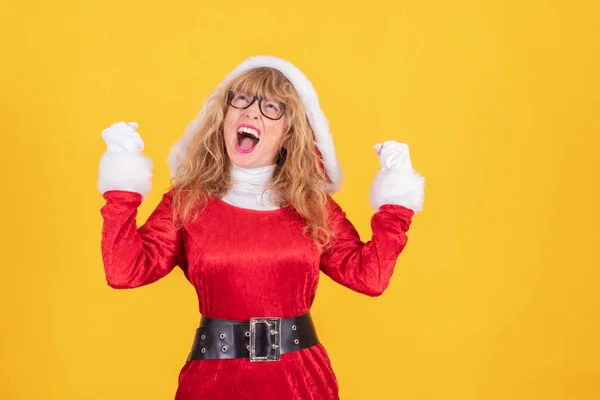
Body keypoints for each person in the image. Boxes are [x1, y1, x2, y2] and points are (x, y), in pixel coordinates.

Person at [97, 56, 425, 400]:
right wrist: (122, 186)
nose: (251, 113)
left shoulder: (313, 207)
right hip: (213, 382)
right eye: (241, 99)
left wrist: (396, 203)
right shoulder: (187, 202)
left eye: (271, 107)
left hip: (300, 381)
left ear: (289, 134)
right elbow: (124, 271)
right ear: (223, 118)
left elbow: (369, 277)